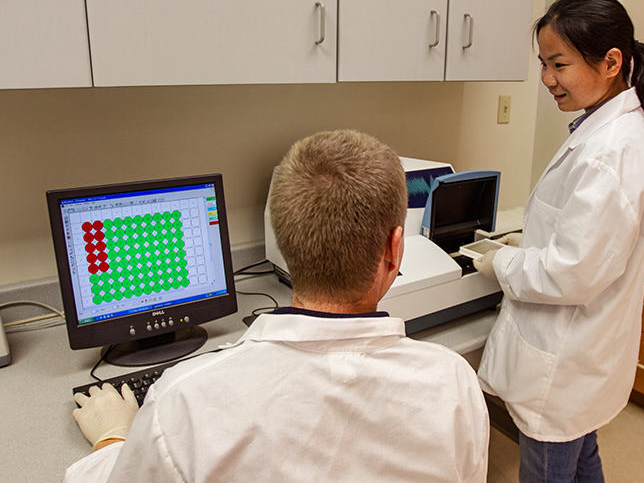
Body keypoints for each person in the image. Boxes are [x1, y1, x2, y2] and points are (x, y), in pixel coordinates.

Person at [65, 130, 490, 483]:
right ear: (395, 251)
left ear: (285, 246)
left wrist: (113, 440)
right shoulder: (454, 384)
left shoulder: (185, 403)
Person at [473, 0, 644, 483]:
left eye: (558, 64)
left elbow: (570, 274)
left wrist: (498, 263)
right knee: (583, 459)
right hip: (583, 355)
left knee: (550, 469)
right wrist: (530, 245)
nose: (546, 79)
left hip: (566, 361)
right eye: (543, 63)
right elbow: (585, 240)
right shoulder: (607, 130)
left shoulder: (609, 151)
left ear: (610, 62)